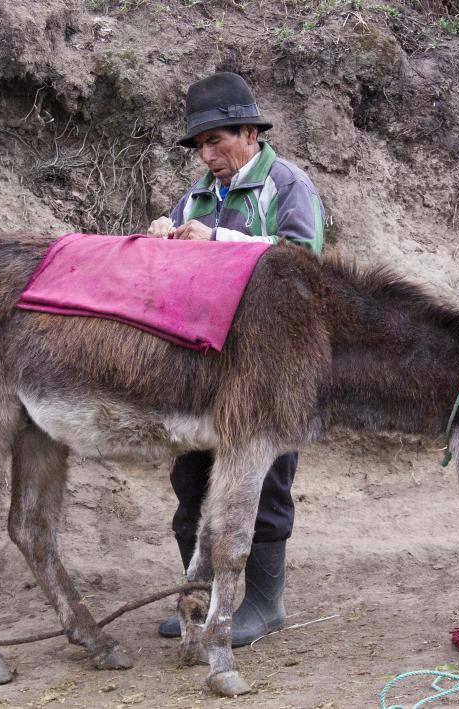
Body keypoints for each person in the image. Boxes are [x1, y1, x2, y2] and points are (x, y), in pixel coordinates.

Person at [146, 71, 324, 647]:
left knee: (265, 481)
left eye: (217, 140)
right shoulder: (196, 196)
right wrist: (161, 240)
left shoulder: (289, 186)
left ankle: (265, 605)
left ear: (250, 132)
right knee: (191, 479)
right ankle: (198, 600)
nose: (208, 154)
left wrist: (216, 242)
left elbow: (302, 263)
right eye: (200, 144)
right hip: (203, 364)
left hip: (271, 365)